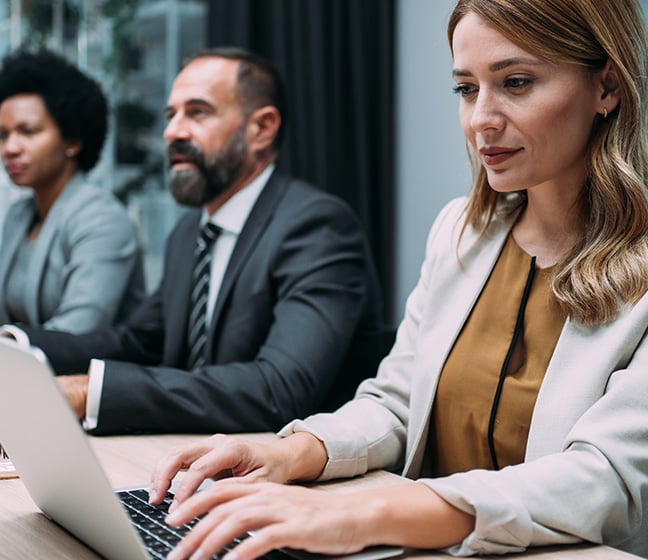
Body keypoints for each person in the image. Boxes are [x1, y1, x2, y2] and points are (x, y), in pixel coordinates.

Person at [149, 1, 648, 559]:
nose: (481, 117)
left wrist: (370, 514)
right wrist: (293, 451)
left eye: (516, 82)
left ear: (607, 86)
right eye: (466, 88)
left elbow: (606, 480)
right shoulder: (461, 232)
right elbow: (396, 403)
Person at [4, 46, 385, 435]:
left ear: (263, 128)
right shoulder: (188, 233)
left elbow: (279, 389)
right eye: (171, 116)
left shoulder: (317, 226)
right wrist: (14, 345)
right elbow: (138, 341)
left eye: (197, 112)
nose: (172, 131)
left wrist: (91, 391)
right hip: (198, 459)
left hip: (300, 480)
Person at [0, 48, 145, 333]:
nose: (10, 148)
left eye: (28, 132)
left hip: (86, 374)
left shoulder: (102, 220)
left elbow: (79, 329)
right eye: (3, 135)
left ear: (72, 141)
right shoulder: (20, 215)